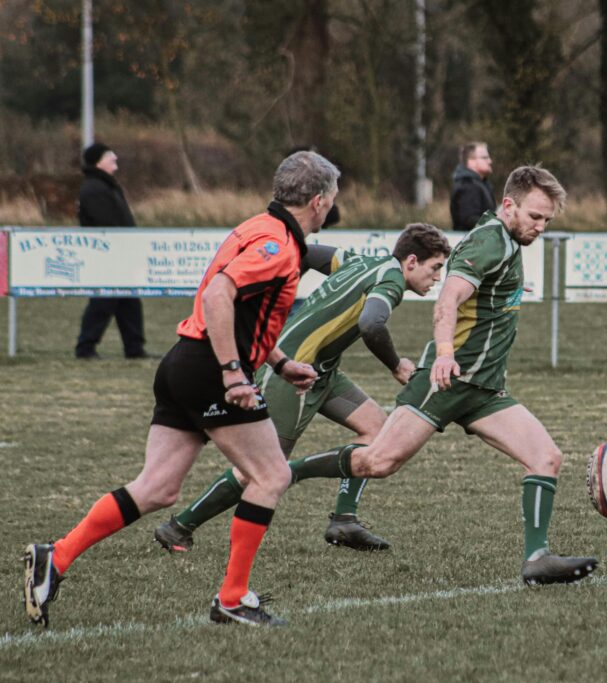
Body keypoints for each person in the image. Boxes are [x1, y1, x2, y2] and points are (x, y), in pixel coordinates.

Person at [23, 151, 337, 628]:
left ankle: (57, 556)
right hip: (210, 370)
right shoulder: (279, 247)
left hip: (183, 362)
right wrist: (234, 373)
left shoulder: (257, 227)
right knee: (271, 476)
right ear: (317, 201)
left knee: (157, 488)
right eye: (332, 199)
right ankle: (232, 599)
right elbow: (218, 297)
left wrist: (277, 361)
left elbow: (242, 309)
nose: (332, 208)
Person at [299, 165, 598, 586]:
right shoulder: (488, 240)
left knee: (546, 457)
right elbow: (448, 300)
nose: (541, 227)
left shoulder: (508, 245)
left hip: (485, 390)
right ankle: (288, 472)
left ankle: (537, 557)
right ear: (508, 205)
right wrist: (442, 354)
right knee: (377, 461)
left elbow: (481, 295)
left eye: (548, 220)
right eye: (535, 217)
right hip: (447, 380)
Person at [153, 224, 451, 554]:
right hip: (293, 373)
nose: (437, 278)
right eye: (435, 267)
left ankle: (344, 520)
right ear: (411, 261)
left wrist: (285, 299)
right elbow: (371, 323)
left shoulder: (359, 260)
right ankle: (179, 526)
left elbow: (306, 255)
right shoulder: (391, 280)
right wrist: (396, 365)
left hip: (323, 373)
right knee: (262, 468)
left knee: (377, 431)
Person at [73, 143, 153, 359]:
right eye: (111, 160)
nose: (116, 164)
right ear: (99, 162)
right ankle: (85, 347)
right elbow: (106, 224)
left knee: (128, 301)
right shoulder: (94, 189)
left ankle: (134, 348)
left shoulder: (106, 186)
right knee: (103, 301)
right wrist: (122, 245)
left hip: (121, 254)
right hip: (107, 256)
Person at [449, 142, 495, 231]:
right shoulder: (468, 185)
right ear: (471, 162)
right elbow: (469, 220)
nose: (490, 161)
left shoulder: (480, 183)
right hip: (472, 243)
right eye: (485, 158)